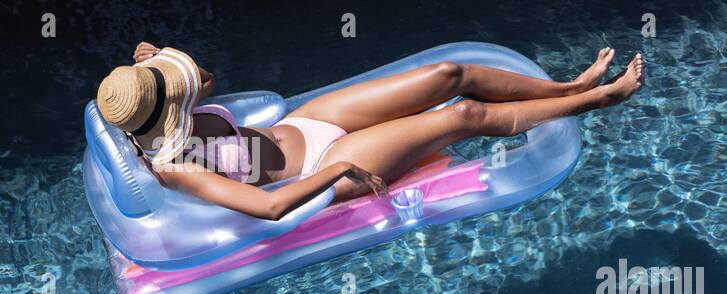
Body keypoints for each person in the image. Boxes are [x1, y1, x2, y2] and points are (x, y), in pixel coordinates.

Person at [95, 42, 643, 220]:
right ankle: (600, 98)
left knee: (447, 76)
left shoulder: (164, 107)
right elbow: (268, 208)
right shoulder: (176, 168)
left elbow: (202, 80)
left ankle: (570, 85)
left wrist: (152, 61)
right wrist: (336, 170)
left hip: (303, 126)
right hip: (318, 166)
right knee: (461, 115)